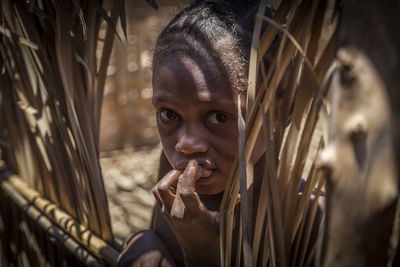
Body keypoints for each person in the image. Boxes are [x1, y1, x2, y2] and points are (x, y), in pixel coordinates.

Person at [117, 1, 278, 266]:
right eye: (169, 115)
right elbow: (162, 240)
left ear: (283, 109)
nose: (186, 144)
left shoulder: (305, 218)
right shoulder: (173, 173)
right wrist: (144, 242)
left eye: (218, 117)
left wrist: (203, 252)